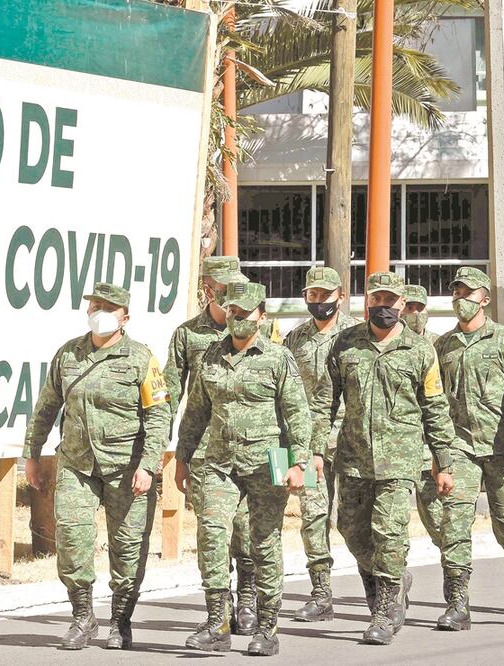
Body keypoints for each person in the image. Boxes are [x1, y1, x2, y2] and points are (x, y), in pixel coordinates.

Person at [23, 282, 171, 650]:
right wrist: (32, 454)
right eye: (94, 305)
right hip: (77, 464)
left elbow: (158, 414)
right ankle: (82, 616)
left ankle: (120, 620)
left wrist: (149, 465)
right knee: (71, 539)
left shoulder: (140, 358)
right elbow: (46, 407)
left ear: (125, 317)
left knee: (128, 547)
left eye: (108, 307)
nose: (99, 312)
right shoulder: (68, 354)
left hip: (127, 468)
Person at [313, 271, 457, 646]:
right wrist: (312, 449)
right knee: (351, 529)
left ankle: (383, 608)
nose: (382, 307)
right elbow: (324, 402)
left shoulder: (420, 351)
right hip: (354, 457)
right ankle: (393, 581)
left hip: (400, 460)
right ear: (366, 301)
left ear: (401, 304)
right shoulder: (346, 345)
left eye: (390, 302)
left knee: (389, 534)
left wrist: (444, 460)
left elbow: (435, 409)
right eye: (376, 300)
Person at [175, 281, 310, 656]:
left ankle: (267, 628)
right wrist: (182, 458)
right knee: (212, 535)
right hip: (219, 464)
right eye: (233, 312)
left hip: (268, 465)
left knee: (262, 543)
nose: (238, 319)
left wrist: (299, 462)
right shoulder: (211, 357)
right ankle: (217, 622)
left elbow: (298, 413)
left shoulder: (278, 358)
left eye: (246, 314)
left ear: (261, 317)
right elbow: (196, 411)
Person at [433, 267, 504, 630]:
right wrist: (439, 454)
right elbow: (434, 401)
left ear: (485, 299)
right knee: (453, 524)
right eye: (456, 292)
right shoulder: (443, 345)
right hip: (460, 447)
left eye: (468, 292)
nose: (461, 299)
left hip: (503, 446)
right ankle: (457, 603)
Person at [163, 256, 258, 634]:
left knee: (248, 527)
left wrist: (287, 458)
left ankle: (248, 594)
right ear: (207, 290)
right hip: (206, 453)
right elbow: (170, 393)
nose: (231, 295)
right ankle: (220, 605)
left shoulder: (258, 328)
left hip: (253, 449)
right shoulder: (188, 335)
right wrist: (164, 448)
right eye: (223, 289)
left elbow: (284, 397)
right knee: (214, 529)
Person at [282, 266, 358, 622]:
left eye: (325, 295)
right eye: (312, 295)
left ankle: (385, 576)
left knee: (352, 519)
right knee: (312, 515)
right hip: (305, 441)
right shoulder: (295, 339)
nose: (318, 301)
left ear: (340, 296)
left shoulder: (356, 335)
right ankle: (321, 592)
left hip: (349, 438)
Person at [400, 284, 447, 577]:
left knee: (437, 519)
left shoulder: (438, 346)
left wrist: (443, 454)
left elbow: (444, 404)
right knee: (393, 522)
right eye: (410, 308)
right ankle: (397, 578)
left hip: (429, 450)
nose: (415, 314)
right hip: (399, 450)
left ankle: (454, 571)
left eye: (420, 308)